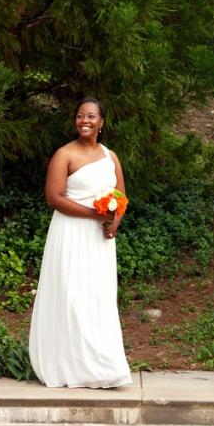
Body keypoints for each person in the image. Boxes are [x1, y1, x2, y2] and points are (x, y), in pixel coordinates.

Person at [28, 97, 132, 388]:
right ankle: (69, 365)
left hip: (99, 241)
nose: (84, 121)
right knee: (72, 295)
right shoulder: (65, 154)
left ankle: (104, 363)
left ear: (101, 122)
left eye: (91, 117)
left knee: (98, 297)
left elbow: (120, 196)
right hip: (71, 233)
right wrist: (93, 214)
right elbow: (54, 198)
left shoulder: (111, 157)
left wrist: (114, 222)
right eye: (79, 116)